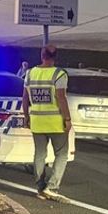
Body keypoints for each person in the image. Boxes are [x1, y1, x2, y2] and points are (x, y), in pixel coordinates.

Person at [22, 45, 71, 201]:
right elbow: (61, 98)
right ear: (55, 56)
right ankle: (52, 187)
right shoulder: (59, 74)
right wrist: (67, 119)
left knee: (40, 155)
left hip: (37, 121)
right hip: (56, 122)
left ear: (42, 55)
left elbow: (25, 97)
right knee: (62, 155)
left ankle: (40, 187)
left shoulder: (30, 73)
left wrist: (26, 116)